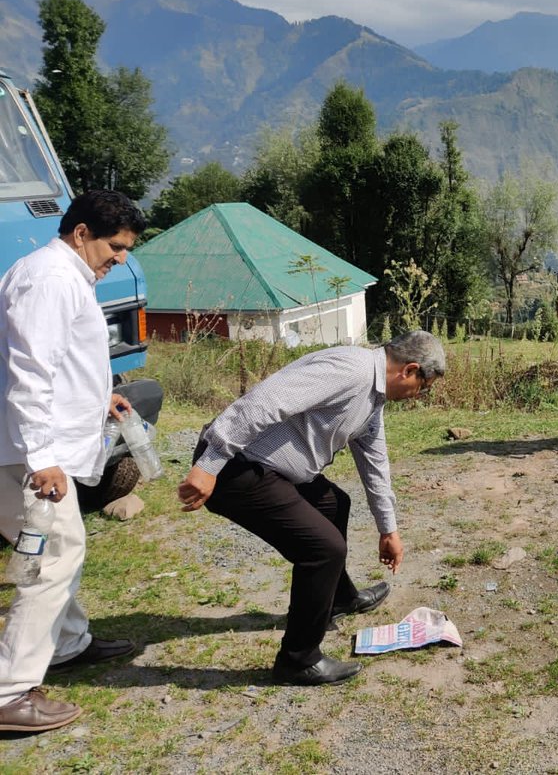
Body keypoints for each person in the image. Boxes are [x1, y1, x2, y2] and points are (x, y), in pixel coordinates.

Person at [178, 330, 445, 686]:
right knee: (323, 550)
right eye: (422, 387)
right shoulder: (351, 370)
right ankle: (298, 660)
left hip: (272, 468)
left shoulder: (374, 397)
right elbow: (266, 400)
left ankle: (339, 598)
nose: (418, 395)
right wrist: (210, 463)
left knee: (334, 504)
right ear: (409, 370)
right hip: (237, 468)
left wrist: (388, 529)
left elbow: (375, 463)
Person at [0, 190, 144, 733]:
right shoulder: (52, 279)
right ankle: (10, 690)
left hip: (23, 445)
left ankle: (67, 642)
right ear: (81, 233)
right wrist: (42, 458)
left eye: (127, 249)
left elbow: (62, 360)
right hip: (27, 450)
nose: (121, 259)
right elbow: (31, 371)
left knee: (57, 548)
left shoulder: (60, 274)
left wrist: (99, 397)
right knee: (55, 555)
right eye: (115, 247)